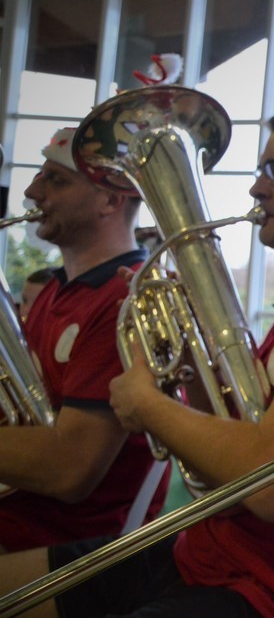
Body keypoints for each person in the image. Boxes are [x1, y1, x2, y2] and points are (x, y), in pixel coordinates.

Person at [0, 108, 274, 618]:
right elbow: (234, 453)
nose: (255, 190)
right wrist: (193, 374)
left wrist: (148, 406)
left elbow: (273, 487)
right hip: (208, 554)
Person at [0, 128, 169, 552]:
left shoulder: (123, 300)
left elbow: (68, 470)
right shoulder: (57, 291)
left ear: (112, 200)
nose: (33, 191)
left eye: (56, 180)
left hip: (70, 548)